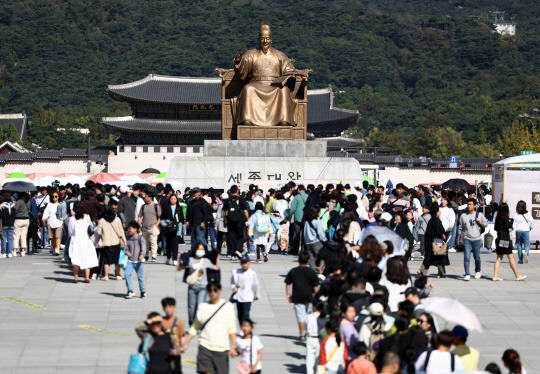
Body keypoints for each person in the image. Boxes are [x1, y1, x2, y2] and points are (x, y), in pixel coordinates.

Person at [181, 282, 238, 374]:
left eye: (215, 290)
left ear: (219, 291)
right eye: (210, 290)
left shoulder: (228, 307)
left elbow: (232, 328)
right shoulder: (202, 307)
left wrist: (234, 346)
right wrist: (185, 343)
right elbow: (195, 327)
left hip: (222, 348)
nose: (212, 293)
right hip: (205, 346)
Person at [178, 243, 220, 326]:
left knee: (200, 307)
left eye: (202, 250)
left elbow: (216, 267)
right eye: (199, 250)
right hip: (192, 288)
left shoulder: (206, 261)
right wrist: (180, 258)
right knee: (191, 308)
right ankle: (192, 324)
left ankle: (198, 325)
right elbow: (179, 268)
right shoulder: (190, 260)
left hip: (203, 288)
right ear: (195, 250)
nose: (201, 251)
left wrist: (217, 257)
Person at [285, 251, 320, 340]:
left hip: (297, 297)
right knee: (308, 315)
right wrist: (317, 296)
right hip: (309, 297)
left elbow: (288, 283)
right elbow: (316, 286)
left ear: (298, 260)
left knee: (300, 317)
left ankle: (301, 334)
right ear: (308, 260)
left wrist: (288, 295)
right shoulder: (311, 272)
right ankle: (308, 333)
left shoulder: (293, 271)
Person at [493, 203, 527, 281]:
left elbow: (495, 228)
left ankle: (495, 275)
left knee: (499, 258)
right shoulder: (505, 217)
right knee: (511, 257)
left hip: (499, 239)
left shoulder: (498, 218)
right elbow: (509, 225)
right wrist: (511, 220)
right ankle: (517, 275)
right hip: (505, 239)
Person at [67, 202, 99, 283]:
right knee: (86, 258)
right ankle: (87, 277)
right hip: (86, 240)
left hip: (76, 240)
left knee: (75, 259)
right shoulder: (87, 217)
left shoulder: (72, 219)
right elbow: (90, 226)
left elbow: (70, 231)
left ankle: (76, 278)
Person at [457, 198, 487, 281]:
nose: (469, 206)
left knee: (476, 257)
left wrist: (480, 222)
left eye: (470, 204)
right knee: (466, 256)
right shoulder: (463, 215)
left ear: (474, 205)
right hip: (467, 238)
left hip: (476, 239)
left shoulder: (479, 215)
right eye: (468, 204)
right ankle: (467, 273)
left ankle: (478, 270)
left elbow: (486, 224)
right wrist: (458, 238)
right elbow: (460, 228)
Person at [418, 204, 449, 278]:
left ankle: (438, 273)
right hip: (437, 242)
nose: (440, 212)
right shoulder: (436, 220)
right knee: (440, 256)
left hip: (430, 242)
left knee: (432, 257)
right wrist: (442, 235)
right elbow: (438, 230)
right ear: (436, 212)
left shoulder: (431, 220)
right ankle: (424, 271)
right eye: (438, 211)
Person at [97, 206, 127, 281]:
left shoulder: (102, 220)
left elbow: (98, 232)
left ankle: (106, 276)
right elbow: (121, 231)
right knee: (117, 260)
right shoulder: (117, 219)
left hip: (106, 242)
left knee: (106, 260)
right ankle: (117, 275)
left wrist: (103, 235)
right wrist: (125, 241)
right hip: (116, 242)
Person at [230, 255, 260, 323]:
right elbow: (232, 282)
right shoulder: (236, 272)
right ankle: (242, 327)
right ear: (240, 263)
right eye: (242, 262)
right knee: (240, 314)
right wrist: (233, 287)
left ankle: (246, 328)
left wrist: (256, 295)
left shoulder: (252, 273)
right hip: (238, 296)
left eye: (245, 262)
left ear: (249, 263)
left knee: (246, 313)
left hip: (248, 297)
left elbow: (256, 285)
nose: (244, 264)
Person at [223, 185, 250, 257]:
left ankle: (232, 254)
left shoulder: (227, 200)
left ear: (230, 192)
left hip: (230, 220)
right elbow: (245, 211)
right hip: (239, 220)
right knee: (239, 235)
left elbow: (224, 212)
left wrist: (224, 221)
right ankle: (238, 249)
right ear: (237, 191)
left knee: (231, 236)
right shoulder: (241, 199)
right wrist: (247, 219)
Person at [161, 297, 186, 374]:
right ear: (163, 308)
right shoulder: (160, 321)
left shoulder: (179, 322)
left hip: (175, 353)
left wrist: (182, 348)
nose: (168, 309)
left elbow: (182, 336)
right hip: (163, 354)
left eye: (170, 307)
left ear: (174, 308)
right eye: (166, 307)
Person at [161, 194, 184, 266]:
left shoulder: (179, 208)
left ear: (176, 200)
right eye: (172, 199)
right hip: (168, 228)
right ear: (169, 200)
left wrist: (183, 230)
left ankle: (174, 259)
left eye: (174, 199)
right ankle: (168, 257)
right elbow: (162, 218)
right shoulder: (166, 208)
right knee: (169, 244)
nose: (173, 200)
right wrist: (164, 224)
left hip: (177, 228)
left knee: (175, 244)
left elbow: (182, 219)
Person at [124, 221, 146, 298]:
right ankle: (130, 290)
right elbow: (126, 249)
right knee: (127, 274)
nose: (129, 230)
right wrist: (127, 253)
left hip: (138, 262)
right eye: (128, 229)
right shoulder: (129, 239)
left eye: (130, 228)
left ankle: (143, 291)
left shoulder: (141, 238)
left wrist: (142, 255)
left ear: (135, 229)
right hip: (130, 261)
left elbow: (144, 248)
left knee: (140, 276)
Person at [138, 192, 162, 262]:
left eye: (146, 196)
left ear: (150, 197)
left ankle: (154, 256)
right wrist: (139, 225)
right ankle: (146, 255)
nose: (144, 197)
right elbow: (139, 216)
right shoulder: (143, 206)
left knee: (153, 242)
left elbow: (160, 217)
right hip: (144, 227)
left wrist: (156, 225)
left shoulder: (156, 206)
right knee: (145, 243)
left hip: (153, 226)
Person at [304, 205, 327, 273]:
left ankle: (312, 273)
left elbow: (304, 232)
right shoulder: (318, 221)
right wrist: (325, 240)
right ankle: (320, 272)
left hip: (308, 243)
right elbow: (321, 233)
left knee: (311, 259)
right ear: (317, 212)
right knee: (321, 257)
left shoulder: (307, 222)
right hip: (316, 242)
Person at [287, 184, 309, 255]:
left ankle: (296, 250)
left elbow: (292, 209)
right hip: (306, 218)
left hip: (298, 218)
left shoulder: (296, 197)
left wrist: (288, 216)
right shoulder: (308, 196)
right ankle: (303, 250)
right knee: (304, 234)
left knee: (296, 234)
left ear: (298, 189)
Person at [42, 191, 63, 256]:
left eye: (56, 196)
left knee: (57, 236)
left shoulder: (61, 204)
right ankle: (54, 248)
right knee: (52, 238)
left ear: (58, 197)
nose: (54, 198)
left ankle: (57, 249)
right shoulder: (49, 204)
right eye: (53, 196)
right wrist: (44, 218)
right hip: (50, 222)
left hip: (59, 222)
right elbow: (46, 212)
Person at [306, 303, 323, 374]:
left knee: (309, 358)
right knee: (318, 358)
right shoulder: (324, 318)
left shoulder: (309, 316)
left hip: (310, 337)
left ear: (314, 307)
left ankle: (309, 372)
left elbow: (305, 326)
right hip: (319, 338)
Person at [13, 192, 30, 257]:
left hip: (18, 219)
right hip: (26, 219)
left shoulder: (19, 202)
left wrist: (14, 204)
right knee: (23, 236)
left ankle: (14, 250)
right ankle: (23, 250)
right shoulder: (28, 201)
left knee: (16, 235)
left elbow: (15, 210)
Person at [0, 193, 16, 258]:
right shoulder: (13, 205)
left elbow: (0, 215)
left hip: (4, 224)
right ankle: (9, 253)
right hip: (11, 224)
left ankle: (3, 253)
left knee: (3, 239)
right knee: (10, 239)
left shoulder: (2, 205)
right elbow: (15, 214)